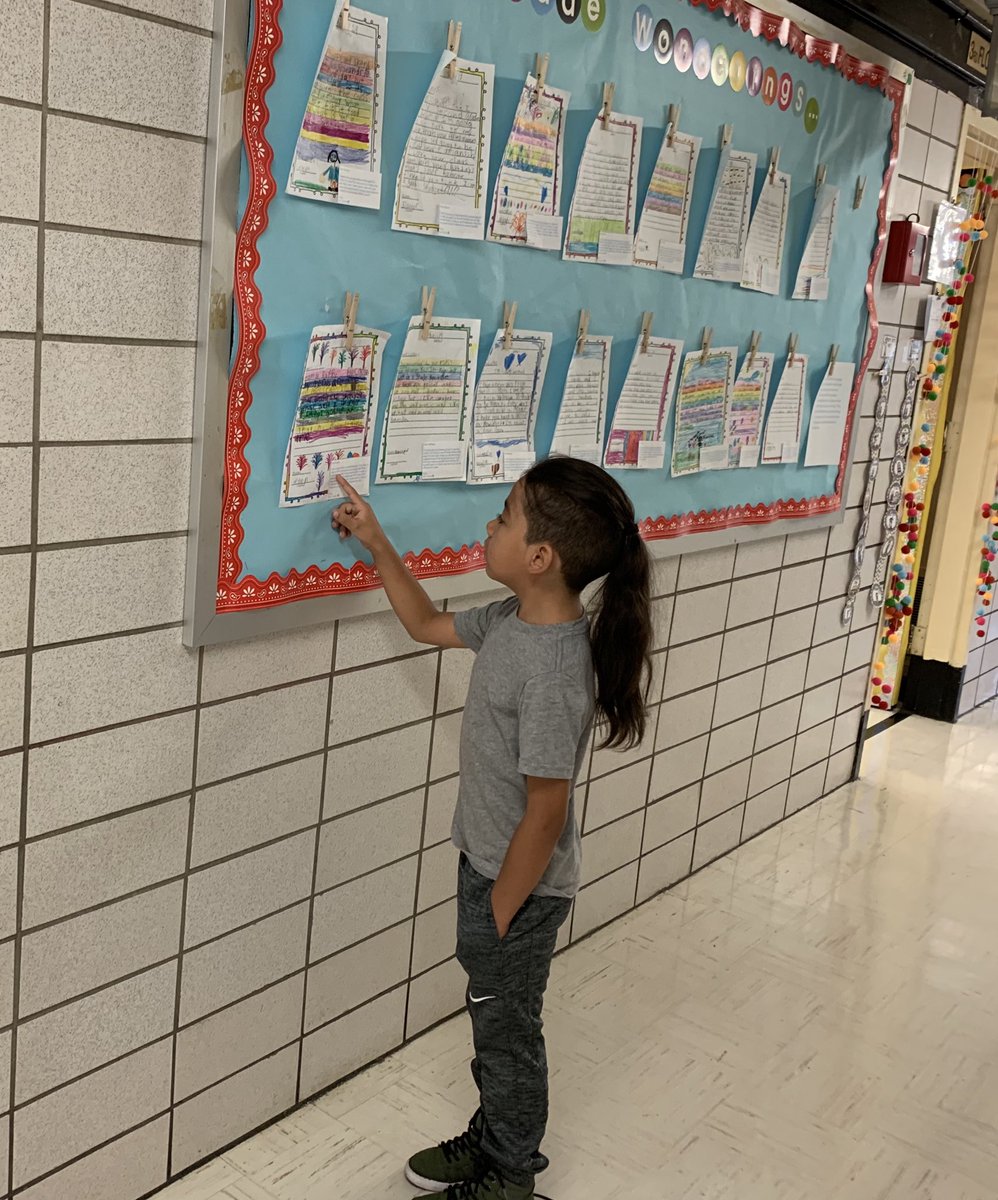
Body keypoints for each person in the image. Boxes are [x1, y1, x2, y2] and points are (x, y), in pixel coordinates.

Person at [331, 457, 653, 1200]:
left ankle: (510, 1177)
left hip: (518, 892)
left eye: (505, 515)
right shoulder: (512, 621)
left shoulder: (551, 673)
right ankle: (494, 1136)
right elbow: (423, 624)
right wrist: (378, 543)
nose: (490, 524)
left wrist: (501, 911)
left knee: (508, 1038)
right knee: (493, 1028)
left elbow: (547, 812)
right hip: (488, 871)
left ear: (540, 558)